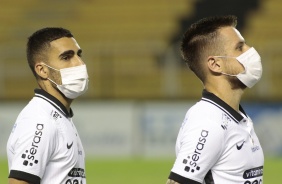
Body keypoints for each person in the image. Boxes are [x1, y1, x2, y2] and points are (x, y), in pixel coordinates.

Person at [166, 15, 264, 184]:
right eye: (240, 48)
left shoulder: (237, 116)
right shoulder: (208, 121)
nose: (250, 51)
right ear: (215, 64)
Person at [7, 27, 88, 184]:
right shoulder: (41, 120)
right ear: (42, 70)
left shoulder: (57, 115)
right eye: (66, 57)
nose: (79, 63)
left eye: (79, 55)